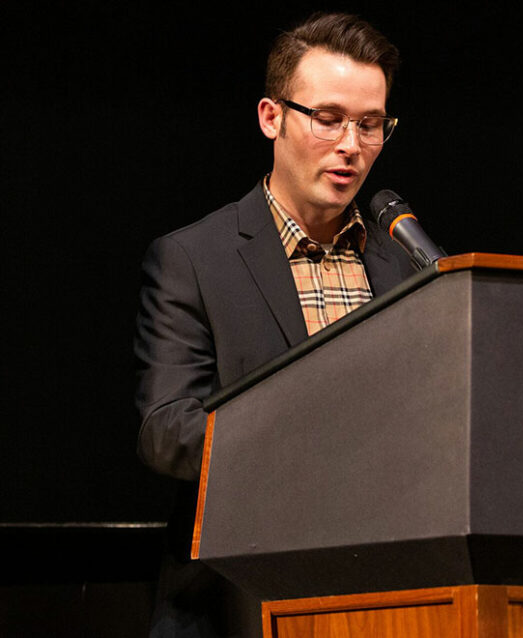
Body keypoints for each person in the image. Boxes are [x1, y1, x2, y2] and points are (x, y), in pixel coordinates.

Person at [134, 13, 417, 637]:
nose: (351, 145)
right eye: (328, 118)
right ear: (272, 118)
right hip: (238, 602)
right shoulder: (194, 260)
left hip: (393, 601)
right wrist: (314, 437)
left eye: (371, 125)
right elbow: (166, 431)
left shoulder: (406, 268)